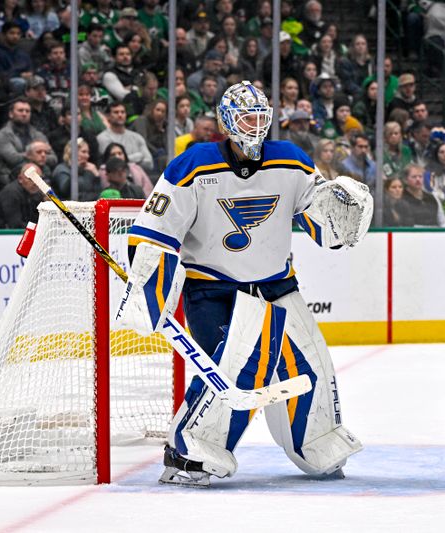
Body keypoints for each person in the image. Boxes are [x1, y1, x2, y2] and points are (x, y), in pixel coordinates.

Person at [124, 81, 364, 487]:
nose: (255, 125)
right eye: (246, 116)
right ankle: (188, 452)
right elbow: (155, 228)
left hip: (277, 287)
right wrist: (151, 281)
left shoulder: (291, 160)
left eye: (260, 116)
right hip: (214, 291)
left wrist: (340, 214)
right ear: (226, 121)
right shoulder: (193, 164)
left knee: (312, 367)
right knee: (234, 368)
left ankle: (317, 440)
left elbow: (318, 219)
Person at [0, 162, 44, 229]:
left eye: (38, 179)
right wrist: (40, 229)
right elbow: (15, 225)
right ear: (20, 179)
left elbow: (37, 219)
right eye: (31, 179)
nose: (35, 183)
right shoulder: (11, 193)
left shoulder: (36, 193)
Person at [399, 163, 445, 227]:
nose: (418, 179)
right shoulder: (401, 198)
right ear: (405, 180)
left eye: (420, 176)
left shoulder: (433, 198)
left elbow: (443, 223)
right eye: (414, 177)